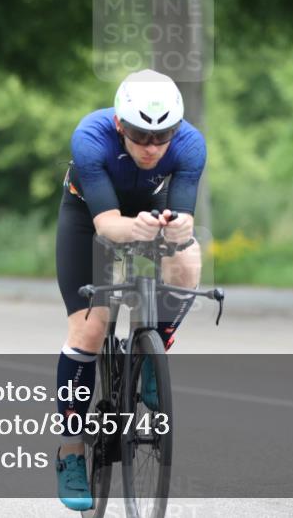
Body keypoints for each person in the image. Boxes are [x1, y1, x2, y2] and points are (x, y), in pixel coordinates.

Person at [53, 69, 205, 510]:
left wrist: (177, 228)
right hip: (90, 218)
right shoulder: (90, 137)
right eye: (141, 136)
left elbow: (186, 218)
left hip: (152, 210)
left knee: (188, 258)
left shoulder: (191, 144)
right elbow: (107, 225)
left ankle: (154, 351)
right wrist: (130, 227)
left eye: (163, 137)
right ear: (120, 125)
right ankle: (70, 452)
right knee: (90, 329)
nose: (153, 148)